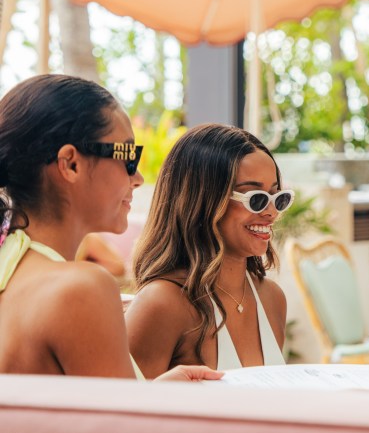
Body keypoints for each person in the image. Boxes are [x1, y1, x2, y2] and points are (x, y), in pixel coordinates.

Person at [0, 74, 219, 381]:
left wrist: (154, 392)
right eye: (129, 156)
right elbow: (122, 414)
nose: (138, 178)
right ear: (71, 164)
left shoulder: (13, 269)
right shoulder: (80, 289)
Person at [127, 123, 289, 377]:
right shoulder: (162, 304)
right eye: (255, 199)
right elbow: (118, 400)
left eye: (278, 197)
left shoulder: (272, 298)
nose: (271, 212)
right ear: (202, 201)